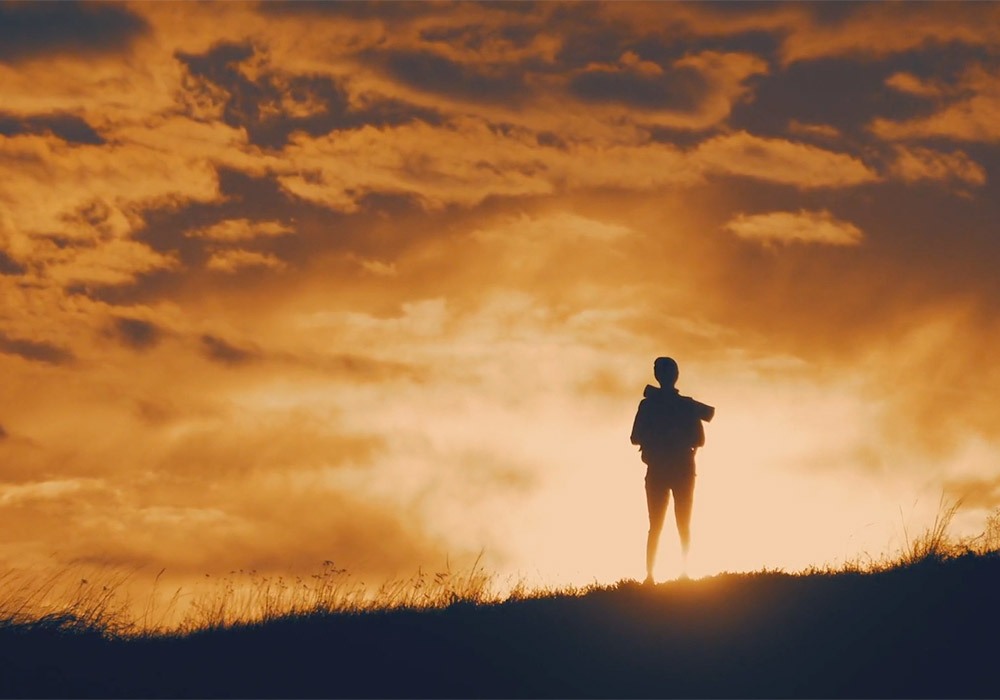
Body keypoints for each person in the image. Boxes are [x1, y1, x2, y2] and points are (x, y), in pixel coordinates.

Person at [630, 357, 714, 584]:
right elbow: (635, 437)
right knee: (668, 524)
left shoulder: (668, 405)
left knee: (667, 524)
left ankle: (664, 575)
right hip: (672, 469)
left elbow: (699, 439)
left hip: (672, 469)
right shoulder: (682, 406)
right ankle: (659, 575)